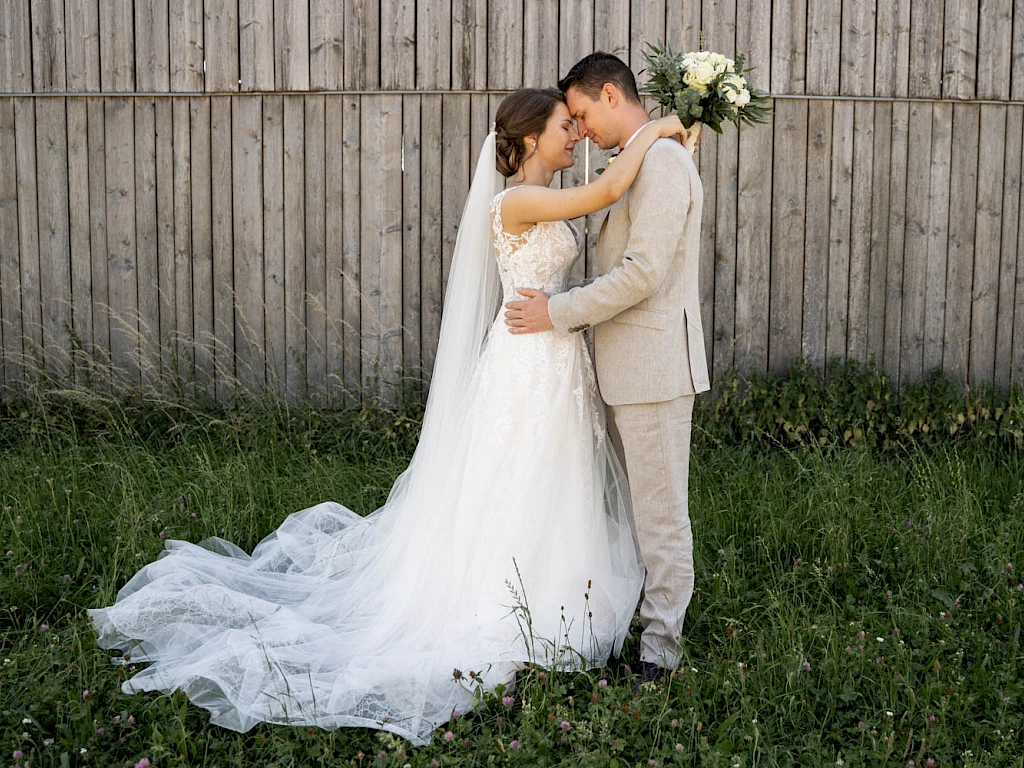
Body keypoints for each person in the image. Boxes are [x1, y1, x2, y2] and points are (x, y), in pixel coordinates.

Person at [88, 87, 688, 746]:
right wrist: (654, 132)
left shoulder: (551, 197)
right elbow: (603, 195)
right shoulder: (515, 200)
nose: (574, 134)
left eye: (576, 124)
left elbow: (603, 212)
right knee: (513, 476)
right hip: (525, 365)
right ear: (528, 139)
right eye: (563, 126)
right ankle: (505, 605)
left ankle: (558, 594)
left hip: (557, 357)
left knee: (553, 479)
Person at [504, 53, 711, 683]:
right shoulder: (646, 158)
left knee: (660, 514)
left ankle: (661, 656)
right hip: (628, 368)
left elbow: (643, 275)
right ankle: (641, 628)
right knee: (641, 512)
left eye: (586, 113)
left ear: (613, 95)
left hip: (653, 370)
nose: (583, 128)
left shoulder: (666, 164)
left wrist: (559, 311)